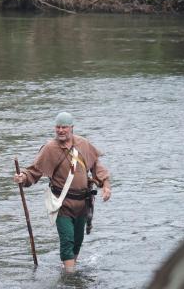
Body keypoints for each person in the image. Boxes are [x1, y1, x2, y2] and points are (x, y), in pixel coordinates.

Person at [13, 112, 111, 271]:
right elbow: (34, 171)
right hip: (62, 204)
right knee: (67, 241)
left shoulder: (83, 144)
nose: (61, 130)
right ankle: (70, 276)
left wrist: (106, 185)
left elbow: (96, 166)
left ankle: (71, 268)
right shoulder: (49, 148)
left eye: (64, 127)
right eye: (58, 127)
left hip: (83, 203)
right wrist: (23, 177)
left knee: (77, 241)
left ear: (72, 128)